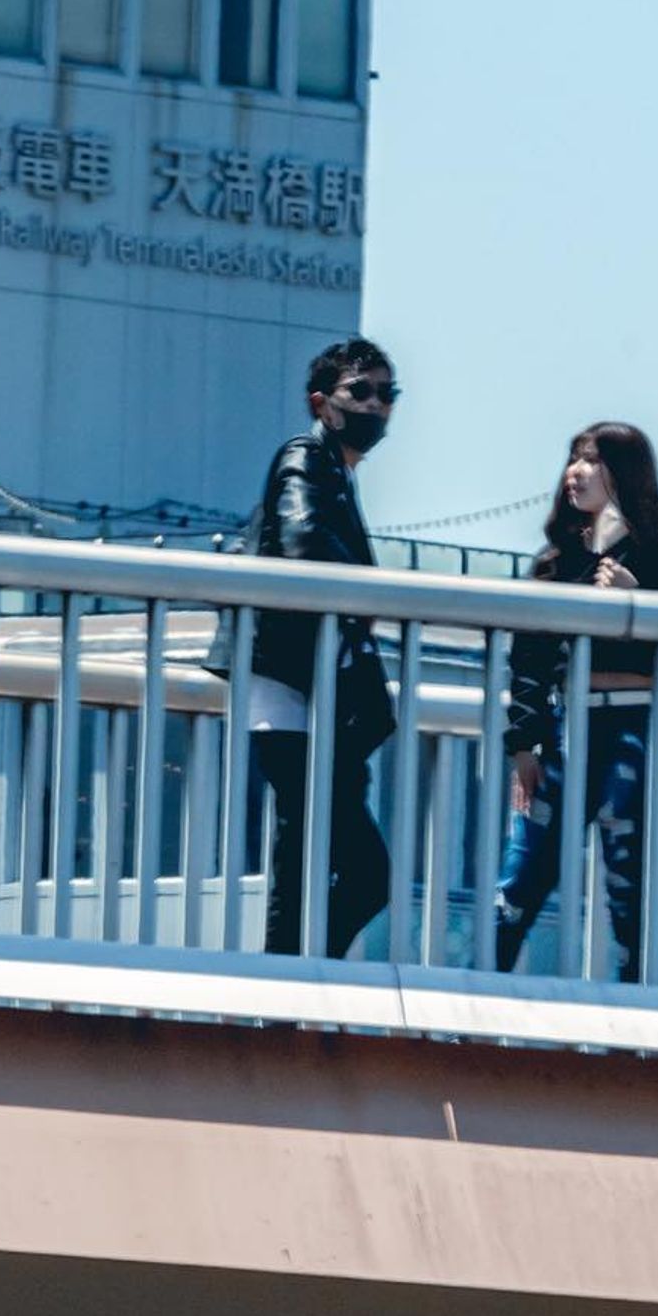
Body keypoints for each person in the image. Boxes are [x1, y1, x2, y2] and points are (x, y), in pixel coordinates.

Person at [215, 337, 401, 959]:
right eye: (361, 392)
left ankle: (292, 982)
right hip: (290, 684)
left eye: (387, 393)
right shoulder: (304, 457)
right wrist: (370, 591)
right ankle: (297, 979)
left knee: (304, 853)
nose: (376, 405)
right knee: (353, 866)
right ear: (322, 404)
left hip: (308, 686)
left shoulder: (338, 472)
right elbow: (301, 540)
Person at [495, 422, 658, 984]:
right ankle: (474, 1006)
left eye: (591, 460)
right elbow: (528, 659)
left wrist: (640, 602)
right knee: (518, 880)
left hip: (637, 727)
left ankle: (632, 1024)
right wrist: (522, 743)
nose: (575, 473)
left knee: (630, 892)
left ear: (624, 473)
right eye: (573, 460)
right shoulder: (558, 557)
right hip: (564, 729)